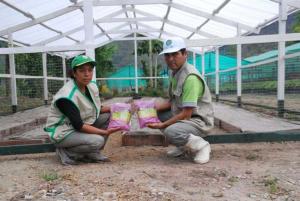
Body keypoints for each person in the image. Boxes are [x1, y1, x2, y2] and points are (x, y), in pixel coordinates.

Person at [147, 37, 214, 164]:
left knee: (170, 131)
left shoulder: (190, 78)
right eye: (167, 55)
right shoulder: (175, 73)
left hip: (198, 121)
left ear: (185, 54)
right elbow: (171, 102)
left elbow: (186, 114)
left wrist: (163, 125)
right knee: (158, 114)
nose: (171, 59)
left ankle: (202, 146)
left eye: (175, 54)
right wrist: (149, 109)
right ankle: (183, 146)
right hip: (186, 118)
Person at [44, 55, 120, 165]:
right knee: (98, 140)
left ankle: (92, 153)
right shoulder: (67, 96)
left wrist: (116, 107)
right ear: (74, 73)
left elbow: (97, 108)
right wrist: (104, 132)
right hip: (62, 132)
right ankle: (67, 151)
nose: (87, 74)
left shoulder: (90, 86)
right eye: (82, 71)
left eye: (90, 70)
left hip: (77, 124)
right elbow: (78, 125)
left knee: (109, 115)